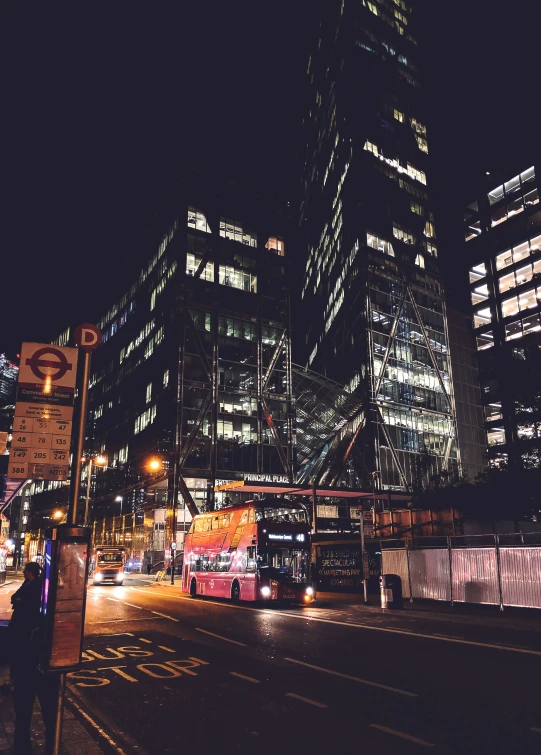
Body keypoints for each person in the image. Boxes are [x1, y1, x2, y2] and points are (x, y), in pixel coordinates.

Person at [10, 562, 57, 755]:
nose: (23, 572)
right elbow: (15, 598)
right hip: (30, 657)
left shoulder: (37, 588)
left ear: (32, 572)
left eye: (26, 570)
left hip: (30, 657)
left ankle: (43, 744)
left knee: (28, 707)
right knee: (25, 711)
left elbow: (21, 602)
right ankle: (25, 744)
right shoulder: (30, 585)